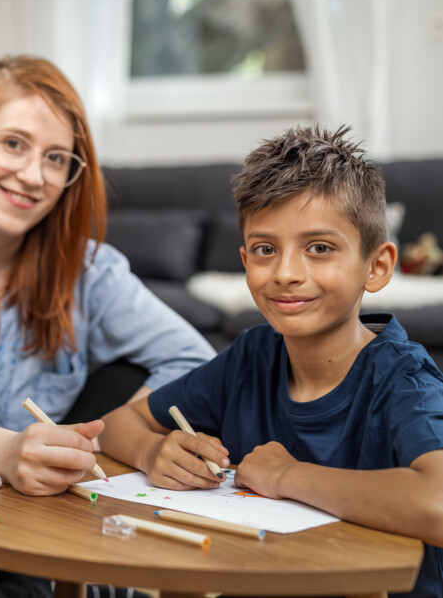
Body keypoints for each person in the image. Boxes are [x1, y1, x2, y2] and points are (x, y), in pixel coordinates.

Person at [0, 55, 215, 597]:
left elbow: (195, 361)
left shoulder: (88, 270)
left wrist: (130, 438)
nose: (32, 175)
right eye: (14, 143)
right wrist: (4, 453)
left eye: (56, 158)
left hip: (37, 534)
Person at [100, 125, 443, 597]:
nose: (285, 273)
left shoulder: (404, 377)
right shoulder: (251, 355)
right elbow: (120, 421)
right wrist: (153, 452)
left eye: (319, 248)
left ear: (377, 267)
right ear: (245, 262)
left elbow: (437, 504)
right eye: (265, 250)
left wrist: (286, 475)